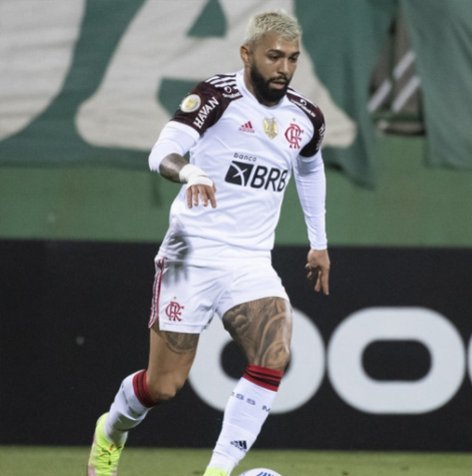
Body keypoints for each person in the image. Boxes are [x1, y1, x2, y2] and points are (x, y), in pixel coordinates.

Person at [86, 10, 330, 476]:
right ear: (248, 53)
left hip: (251, 260)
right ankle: (111, 431)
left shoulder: (306, 117)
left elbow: (310, 167)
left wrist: (319, 242)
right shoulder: (216, 96)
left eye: (293, 59)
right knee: (163, 387)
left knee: (274, 351)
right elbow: (162, 151)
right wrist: (191, 170)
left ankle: (217, 472)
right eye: (274, 56)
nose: (284, 68)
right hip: (190, 253)